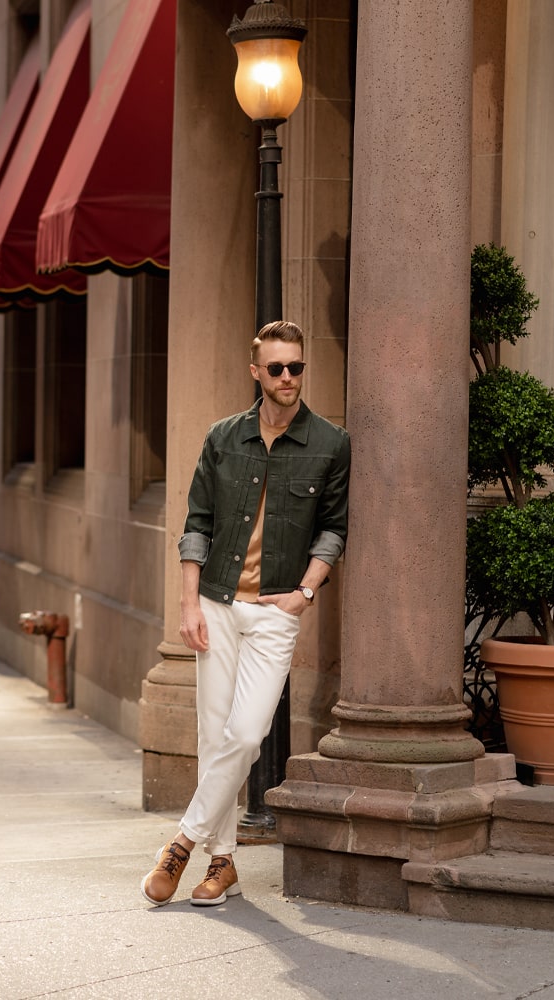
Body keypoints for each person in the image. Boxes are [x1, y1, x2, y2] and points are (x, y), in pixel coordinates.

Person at [140, 320, 351, 907]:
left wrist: (304, 593)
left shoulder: (330, 443)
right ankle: (223, 862)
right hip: (216, 600)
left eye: (297, 368)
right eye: (277, 368)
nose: (288, 378)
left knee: (247, 731)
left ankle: (180, 844)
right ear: (255, 371)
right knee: (215, 736)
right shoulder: (223, 437)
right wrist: (189, 604)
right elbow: (197, 524)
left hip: (275, 610)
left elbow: (334, 527)